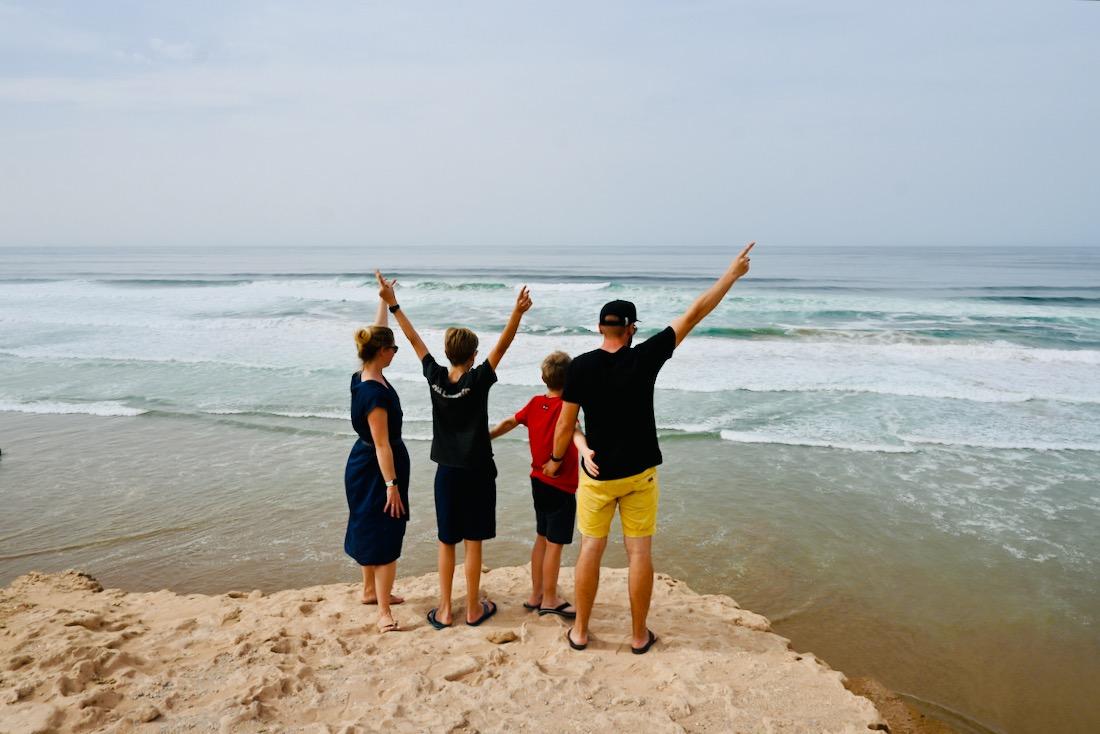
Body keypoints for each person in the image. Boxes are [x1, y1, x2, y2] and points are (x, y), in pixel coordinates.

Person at [544, 242, 755, 653]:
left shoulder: (581, 367)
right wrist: (731, 275)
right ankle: (639, 635)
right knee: (639, 553)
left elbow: (566, 424)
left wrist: (560, 459)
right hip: (640, 475)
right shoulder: (645, 357)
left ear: (600, 327)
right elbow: (695, 313)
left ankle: (582, 632)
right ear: (631, 328)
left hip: (597, 475)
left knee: (591, 548)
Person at [378, 271, 532, 629]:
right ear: (474, 355)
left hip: (446, 472)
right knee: (474, 541)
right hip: (478, 469)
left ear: (446, 354)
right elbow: (504, 346)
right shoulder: (478, 380)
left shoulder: (434, 376)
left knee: (447, 541)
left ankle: (446, 610)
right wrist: (518, 313)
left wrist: (393, 305)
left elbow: (414, 339)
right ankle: (474, 609)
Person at [490, 351, 596, 619]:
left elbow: (510, 422)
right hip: (560, 485)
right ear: (570, 380)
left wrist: (486, 436)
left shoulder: (536, 403)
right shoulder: (568, 407)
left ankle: (536, 593)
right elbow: (572, 432)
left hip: (537, 481)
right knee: (554, 544)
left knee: (541, 537)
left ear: (543, 377)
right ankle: (549, 598)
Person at [344, 276, 409, 633]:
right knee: (384, 531)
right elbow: (382, 444)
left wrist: (384, 300)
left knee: (368, 524)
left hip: (363, 461)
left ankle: (370, 591)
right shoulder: (375, 395)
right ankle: (384, 610)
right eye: (393, 348)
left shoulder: (364, 374)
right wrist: (392, 484)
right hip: (378, 466)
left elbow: (377, 332)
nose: (395, 351)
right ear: (382, 352)